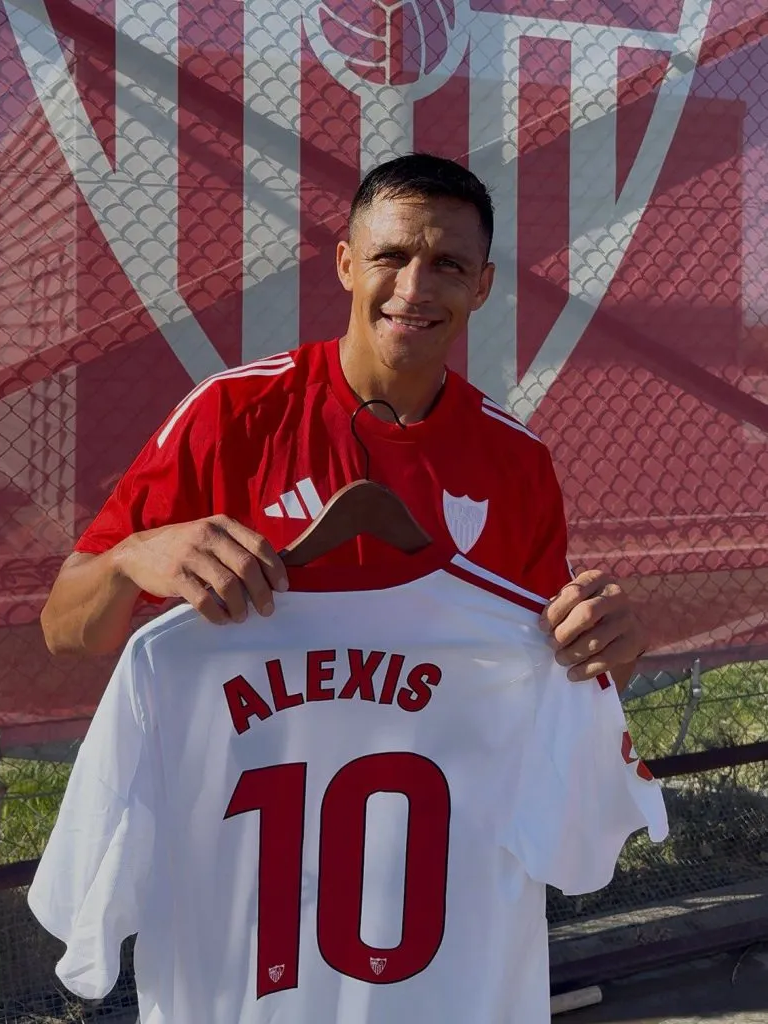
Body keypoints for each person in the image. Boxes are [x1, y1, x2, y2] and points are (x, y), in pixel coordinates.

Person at [41, 153, 645, 688]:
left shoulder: (516, 460)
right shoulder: (230, 414)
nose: (414, 288)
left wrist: (609, 646)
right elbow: (63, 630)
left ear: (482, 287)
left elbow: (565, 662)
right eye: (391, 257)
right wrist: (131, 559)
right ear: (346, 264)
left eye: (449, 265)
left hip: (438, 774)